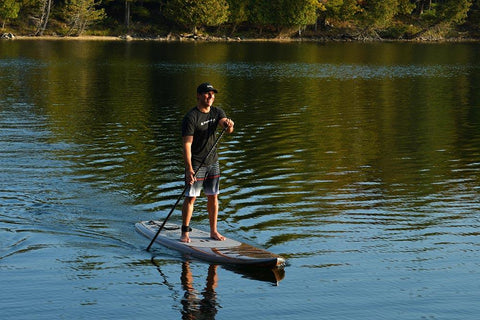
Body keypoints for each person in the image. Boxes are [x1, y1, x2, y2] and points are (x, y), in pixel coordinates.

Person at [180, 82, 234, 243]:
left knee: (213, 197)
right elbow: (187, 144)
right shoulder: (191, 117)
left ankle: (213, 231)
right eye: (207, 93)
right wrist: (189, 168)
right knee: (191, 197)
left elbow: (226, 126)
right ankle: (185, 232)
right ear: (198, 95)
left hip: (213, 162)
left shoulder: (217, 112)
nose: (211, 96)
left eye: (212, 94)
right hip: (196, 164)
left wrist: (229, 125)